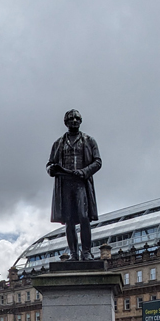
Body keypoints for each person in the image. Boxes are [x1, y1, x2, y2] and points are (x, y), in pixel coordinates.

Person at [46, 109, 102, 261]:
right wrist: (52, 169)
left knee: (84, 217)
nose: (74, 121)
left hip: (81, 183)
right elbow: (49, 164)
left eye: (77, 119)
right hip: (65, 184)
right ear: (66, 123)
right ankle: (74, 254)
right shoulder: (58, 143)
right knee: (69, 219)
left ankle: (86, 252)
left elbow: (97, 162)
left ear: (80, 121)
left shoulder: (89, 141)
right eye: (71, 119)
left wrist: (84, 171)